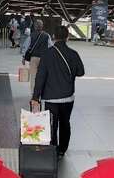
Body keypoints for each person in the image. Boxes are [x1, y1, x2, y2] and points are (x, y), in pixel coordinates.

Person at [31, 26, 85, 158]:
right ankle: (62, 150)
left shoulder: (47, 54)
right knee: (65, 123)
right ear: (67, 37)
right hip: (68, 98)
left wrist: (35, 97)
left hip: (50, 99)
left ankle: (53, 149)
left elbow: (40, 77)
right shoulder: (73, 54)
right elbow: (81, 72)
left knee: (52, 124)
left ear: (54, 37)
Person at [23, 19, 53, 94]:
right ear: (42, 26)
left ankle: (33, 92)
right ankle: (43, 91)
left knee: (33, 76)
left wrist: (24, 57)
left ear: (35, 26)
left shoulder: (31, 35)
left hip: (34, 58)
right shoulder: (47, 35)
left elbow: (26, 47)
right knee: (43, 75)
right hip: (44, 58)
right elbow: (51, 47)